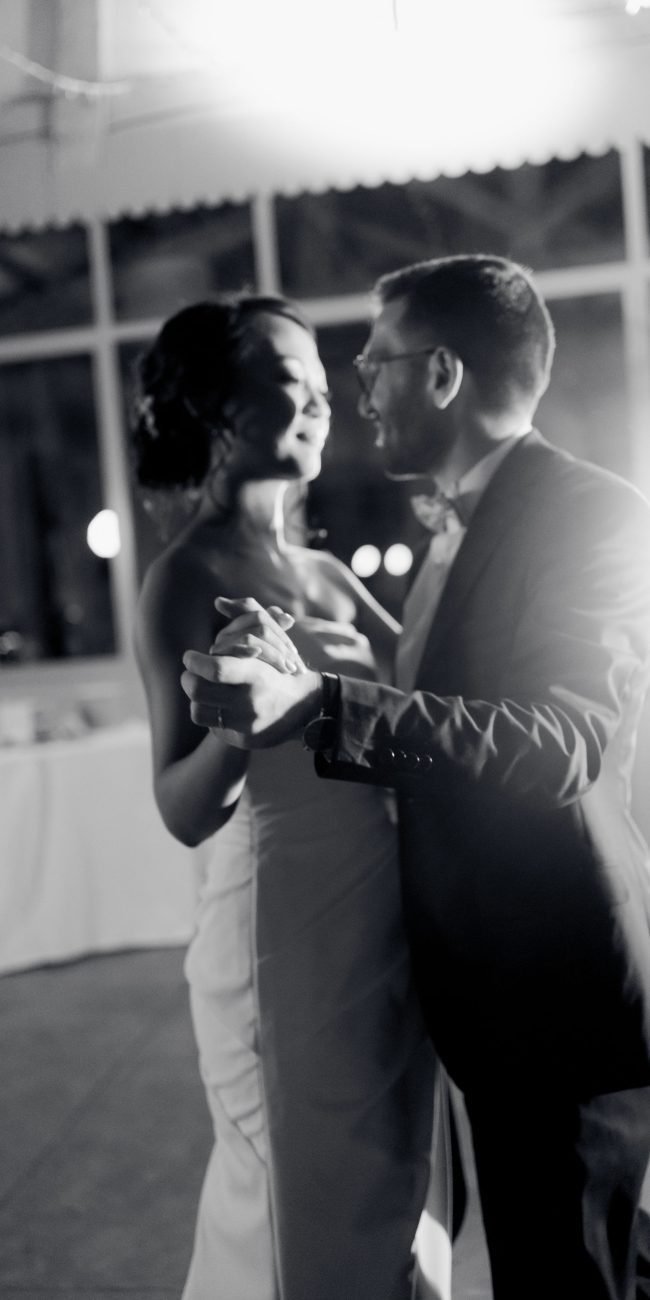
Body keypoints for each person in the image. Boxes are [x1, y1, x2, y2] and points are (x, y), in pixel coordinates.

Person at [181, 256, 650, 1300]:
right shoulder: (453, 518)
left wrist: (316, 706)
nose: (357, 393)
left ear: (439, 373)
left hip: (556, 995)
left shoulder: (588, 510)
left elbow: (551, 744)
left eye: (371, 364)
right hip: (485, 990)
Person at [131, 293, 457, 1300]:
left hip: (378, 910)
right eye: (287, 379)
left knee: (389, 1176)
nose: (319, 400)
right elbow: (182, 808)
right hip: (280, 923)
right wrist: (238, 725)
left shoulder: (322, 571)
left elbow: (426, 703)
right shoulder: (184, 576)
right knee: (293, 1184)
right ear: (219, 406)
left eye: (324, 382)